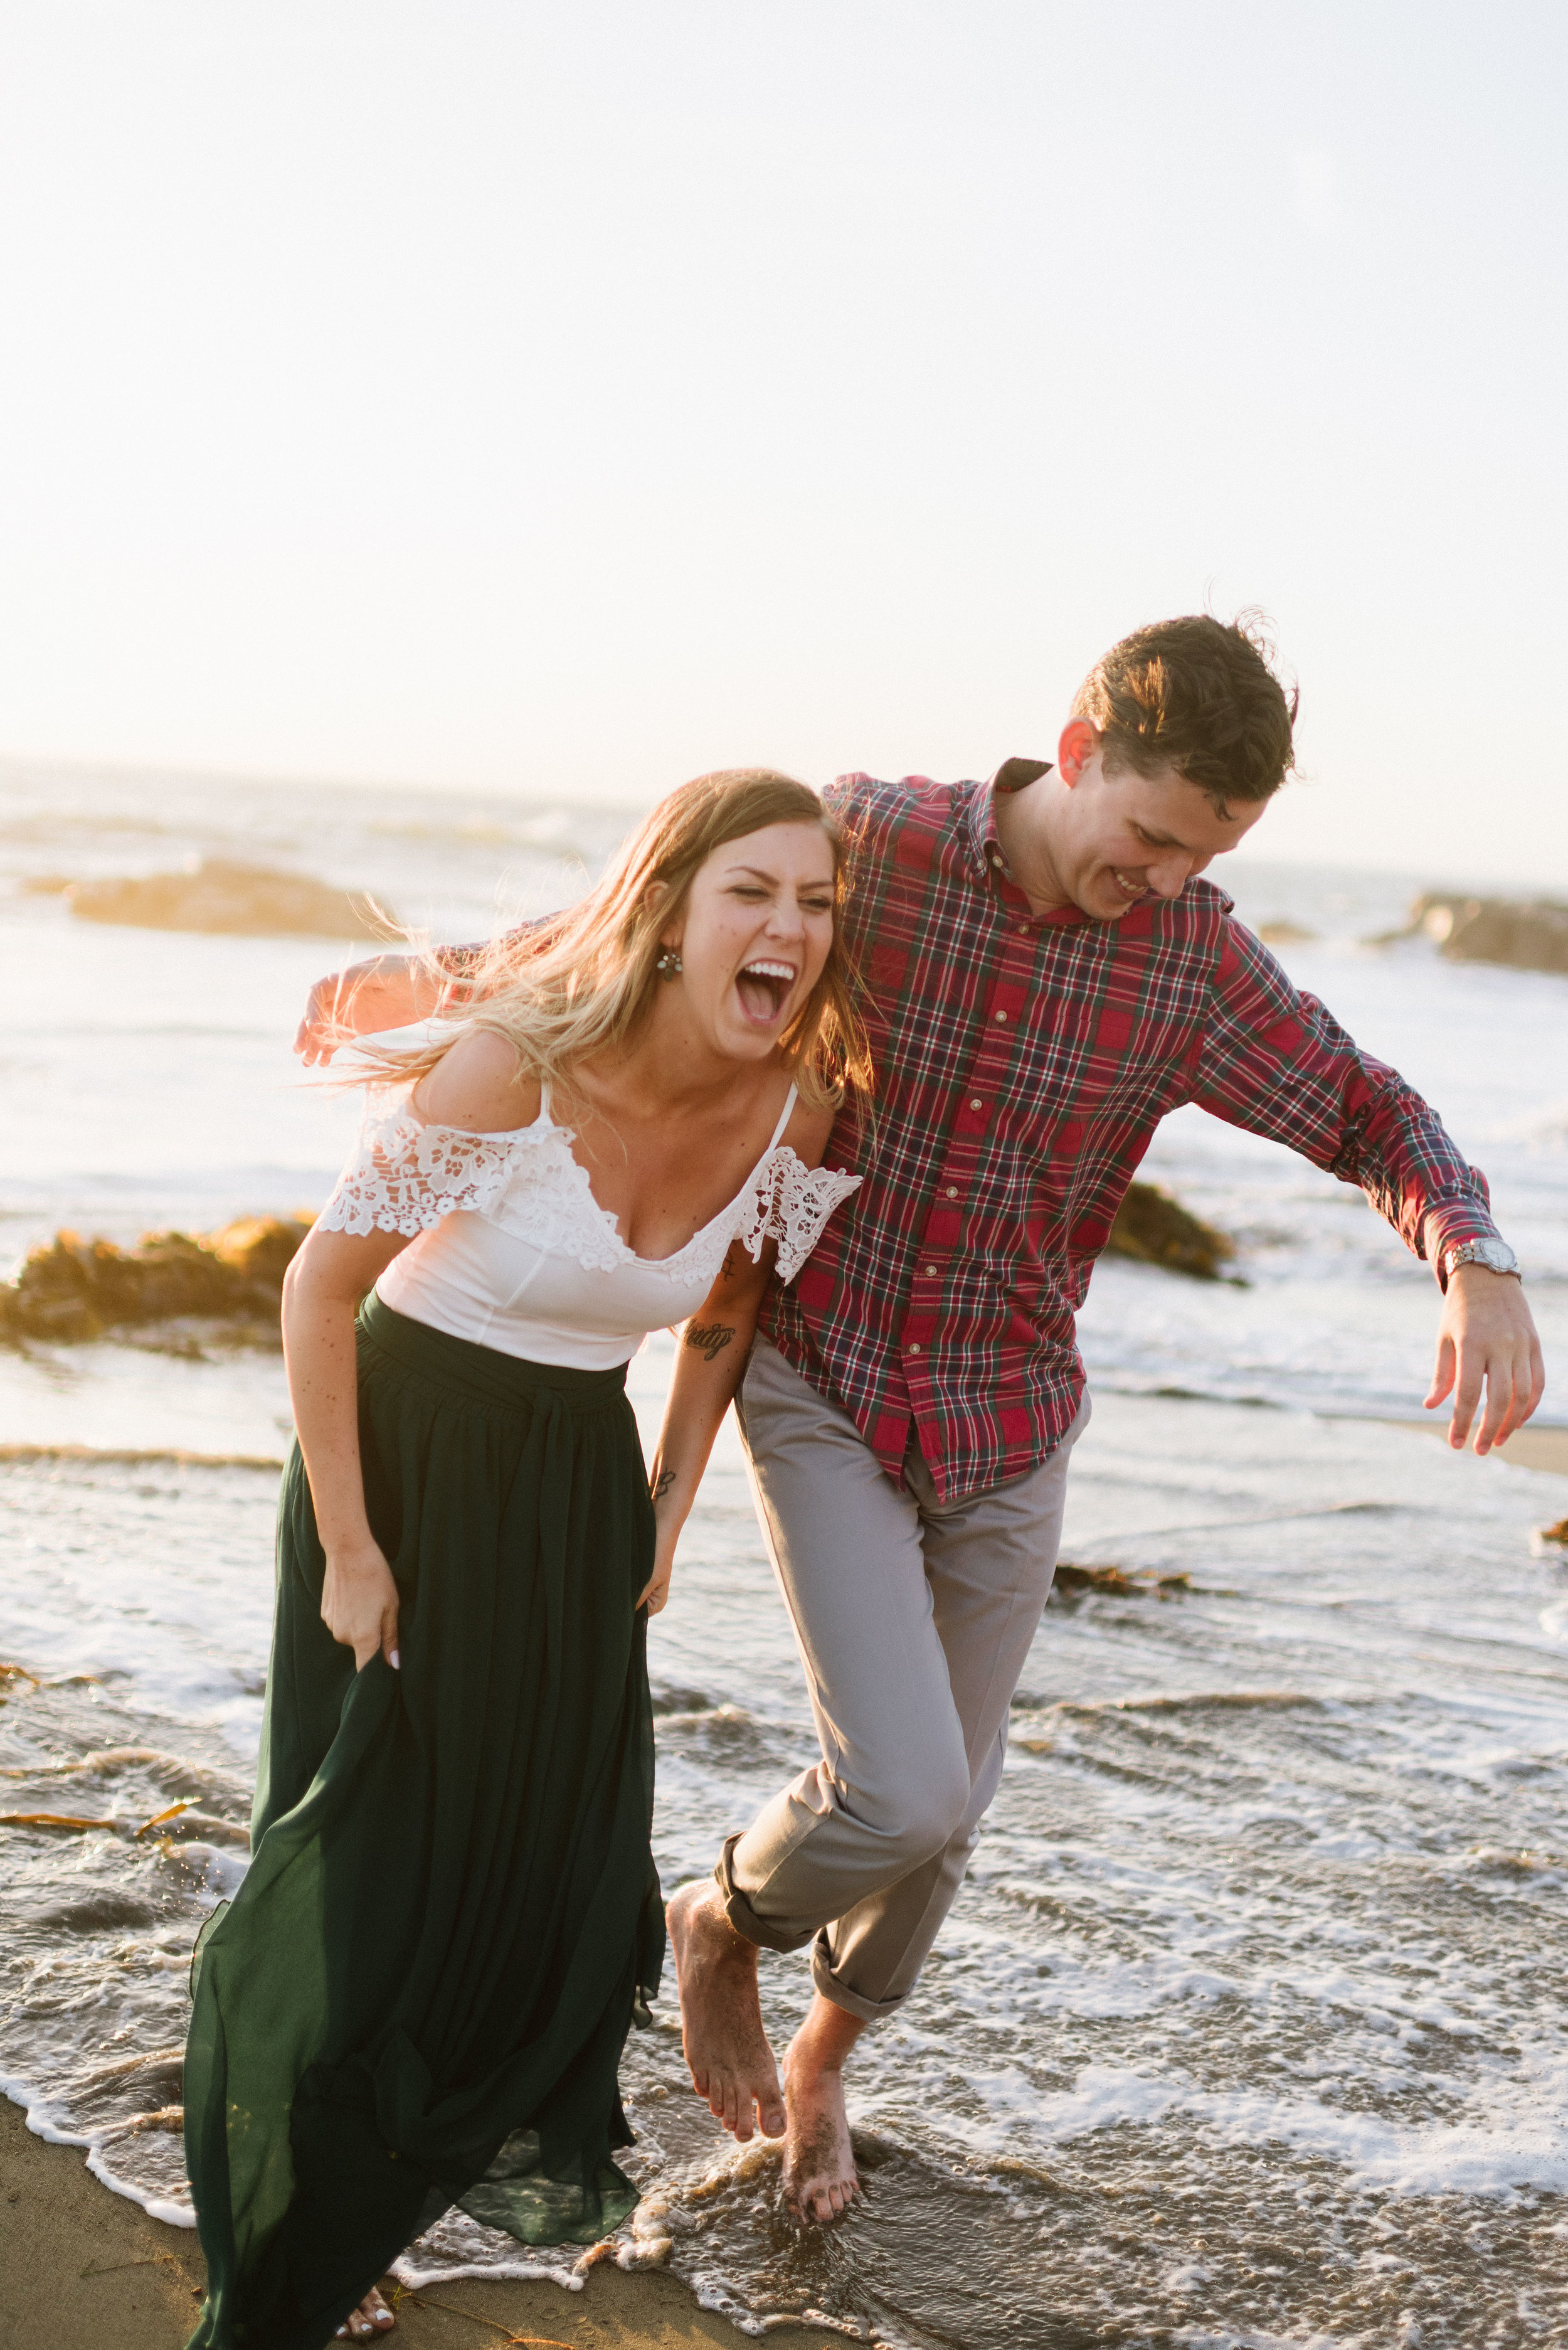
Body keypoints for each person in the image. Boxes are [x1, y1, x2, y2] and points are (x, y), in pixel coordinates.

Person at [297, 614, 1545, 2230]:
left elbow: (1368, 1106)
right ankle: (718, 1927)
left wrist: (1476, 1255)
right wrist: (441, 979)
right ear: (1079, 751)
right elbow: (652, 919)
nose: (1165, 879)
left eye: (1207, 856)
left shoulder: (1188, 963)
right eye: (1151, 836)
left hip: (1014, 1414)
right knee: (897, 1789)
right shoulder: (870, 846)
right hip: (825, 1385)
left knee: (951, 1814)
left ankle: (821, 2063)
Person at [183, 769, 867, 2349]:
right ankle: (296, 2238)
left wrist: (668, 1503)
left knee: (551, 1891)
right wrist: (351, 1548)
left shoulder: (799, 1108)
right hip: (405, 1467)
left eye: (815, 902)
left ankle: (377, 2190)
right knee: (378, 1876)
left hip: (573, 1497)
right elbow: (314, 1290)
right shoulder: (513, 1067)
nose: (785, 926)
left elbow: (720, 1314)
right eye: (750, 892)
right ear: (670, 912)